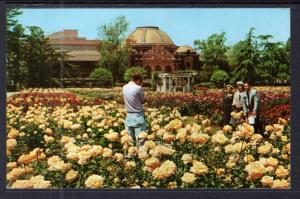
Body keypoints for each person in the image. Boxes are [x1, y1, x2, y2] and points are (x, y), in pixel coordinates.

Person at [122, 72, 147, 147]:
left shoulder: (124, 87)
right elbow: (142, 101)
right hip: (137, 115)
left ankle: (130, 156)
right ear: (139, 80)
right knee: (140, 140)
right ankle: (140, 156)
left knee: (129, 141)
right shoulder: (138, 88)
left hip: (128, 115)